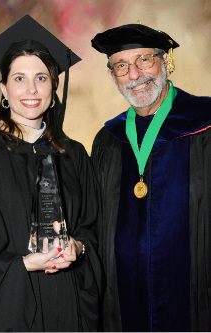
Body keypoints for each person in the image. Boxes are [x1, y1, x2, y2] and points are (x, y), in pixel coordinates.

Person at [0, 15, 103, 332]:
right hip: (10, 313)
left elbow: (93, 230)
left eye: (41, 78)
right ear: (4, 88)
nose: (31, 89)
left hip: (68, 307)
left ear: (53, 88)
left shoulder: (75, 155)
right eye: (19, 78)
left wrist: (77, 248)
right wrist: (24, 265)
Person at [91, 22, 211, 332]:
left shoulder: (205, 124)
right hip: (122, 304)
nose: (134, 75)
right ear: (111, 75)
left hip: (196, 300)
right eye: (121, 65)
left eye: (144, 59)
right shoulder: (108, 140)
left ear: (165, 61)